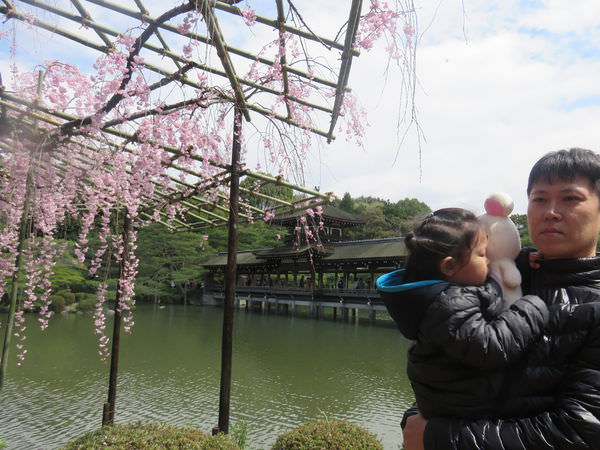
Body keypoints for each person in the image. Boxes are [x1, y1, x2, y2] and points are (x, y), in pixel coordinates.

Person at [402, 147, 600, 450]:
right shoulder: (494, 277)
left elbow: (579, 430)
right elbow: (444, 355)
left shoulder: (593, 304)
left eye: (570, 198)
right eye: (540, 199)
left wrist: (439, 436)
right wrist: (419, 414)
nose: (550, 211)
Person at [378, 208, 557, 421]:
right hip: (464, 413)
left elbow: (490, 290)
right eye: (482, 254)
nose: (489, 260)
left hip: (463, 405)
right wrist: (532, 305)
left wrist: (518, 263)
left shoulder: (448, 296)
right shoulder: (446, 307)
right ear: (450, 266)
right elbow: (490, 347)